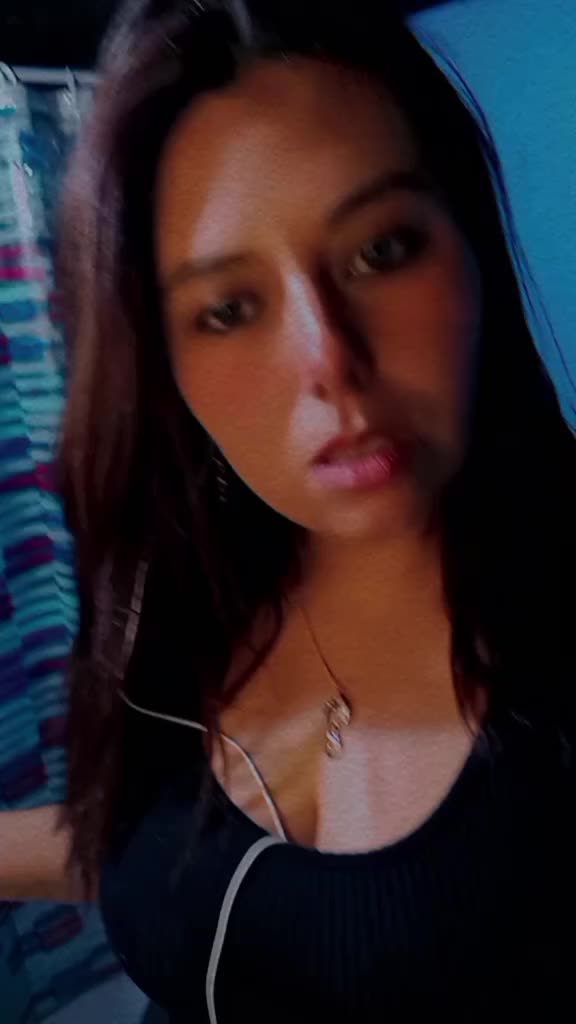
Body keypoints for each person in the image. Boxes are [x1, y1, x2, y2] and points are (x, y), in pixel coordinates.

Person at [1, 0, 575, 1019]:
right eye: (229, 309)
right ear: (162, 365)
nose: (329, 362)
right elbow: (152, 853)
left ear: (470, 247)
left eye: (381, 251)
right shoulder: (185, 601)